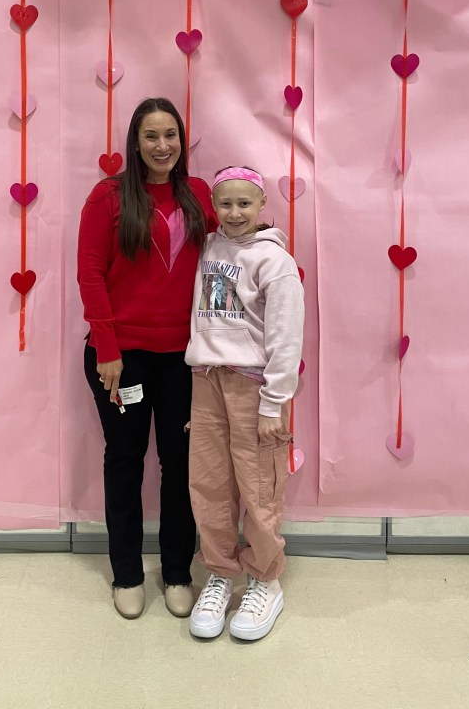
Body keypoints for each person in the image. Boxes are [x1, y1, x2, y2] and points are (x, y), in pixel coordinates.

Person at [77, 97, 217, 620]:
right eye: (151, 136)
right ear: (135, 143)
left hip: (184, 359)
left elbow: (231, 245)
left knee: (180, 465)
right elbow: (90, 273)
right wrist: (107, 349)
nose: (162, 146)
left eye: (171, 135)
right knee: (125, 461)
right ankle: (127, 574)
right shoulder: (108, 197)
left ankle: (178, 571)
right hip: (122, 359)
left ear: (182, 141)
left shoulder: (198, 194)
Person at [185, 166, 304, 641]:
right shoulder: (208, 248)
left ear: (261, 206)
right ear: (213, 207)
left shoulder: (275, 261)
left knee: (259, 487)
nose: (234, 213)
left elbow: (286, 337)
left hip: (254, 389)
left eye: (244, 204)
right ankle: (219, 572)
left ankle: (265, 579)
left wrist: (274, 402)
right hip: (206, 380)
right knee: (209, 484)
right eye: (225, 204)